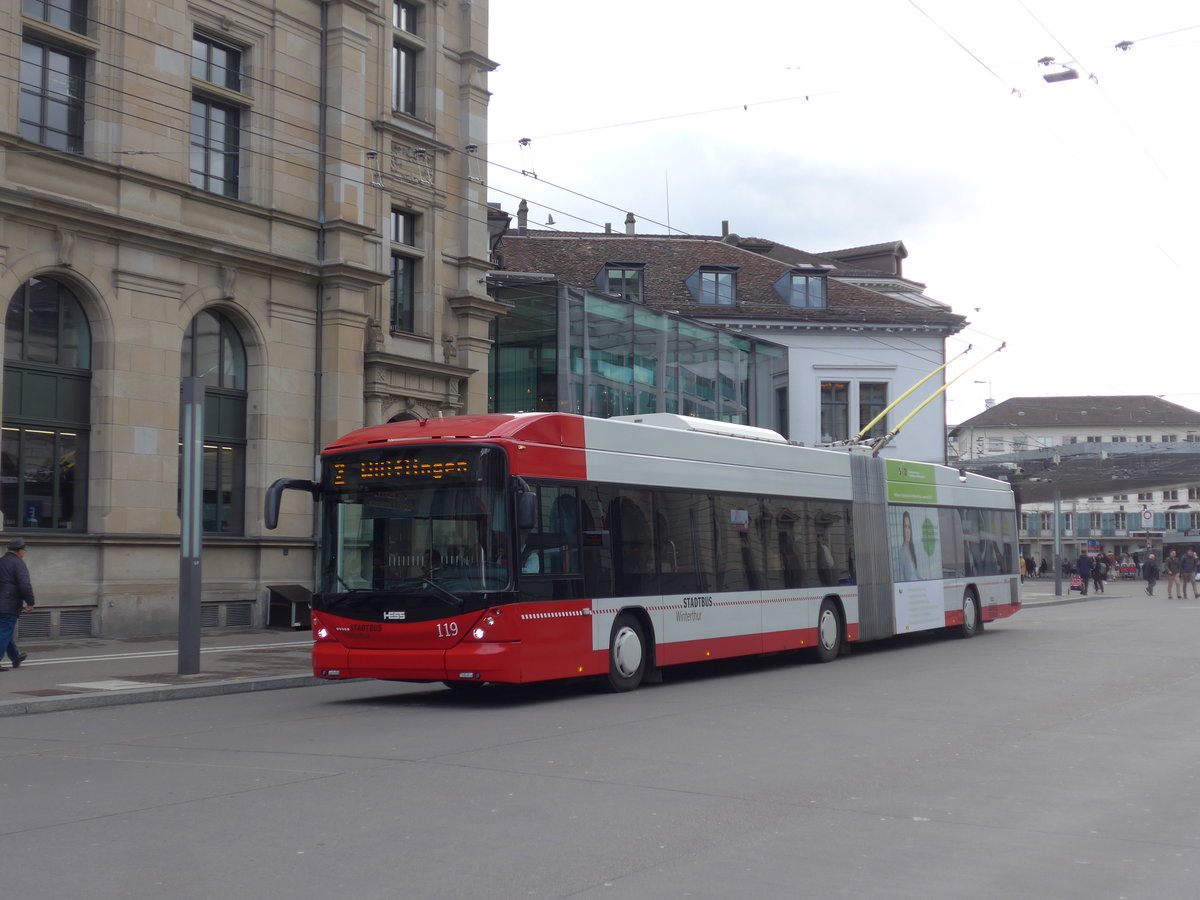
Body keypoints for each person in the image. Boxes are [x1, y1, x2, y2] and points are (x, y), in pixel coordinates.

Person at [0, 537, 35, 671]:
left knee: (5, 631)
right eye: (24, 550)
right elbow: (24, 585)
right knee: (4, 632)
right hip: (9, 604)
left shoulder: (1, 561)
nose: (24, 553)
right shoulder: (18, 563)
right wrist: (30, 602)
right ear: (19, 551)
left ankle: (15, 656)